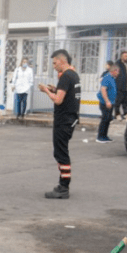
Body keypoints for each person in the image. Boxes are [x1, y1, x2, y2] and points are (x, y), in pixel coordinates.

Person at [39, 49, 80, 199]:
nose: (54, 66)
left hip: (64, 120)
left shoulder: (66, 76)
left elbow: (58, 100)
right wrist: (55, 89)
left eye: (55, 63)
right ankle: (63, 184)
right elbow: (66, 94)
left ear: (62, 61)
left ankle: (64, 187)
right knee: (61, 152)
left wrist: (46, 90)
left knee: (61, 153)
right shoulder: (73, 75)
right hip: (70, 119)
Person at [96, 64, 118, 143]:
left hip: (111, 102)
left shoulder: (112, 78)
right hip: (105, 103)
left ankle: (105, 136)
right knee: (104, 119)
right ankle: (100, 137)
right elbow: (103, 90)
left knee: (108, 119)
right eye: (117, 71)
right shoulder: (107, 77)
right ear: (113, 71)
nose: (118, 73)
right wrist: (107, 101)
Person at [114, 50, 127, 120]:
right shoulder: (117, 64)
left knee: (125, 102)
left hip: (126, 86)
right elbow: (113, 74)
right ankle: (117, 114)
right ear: (121, 57)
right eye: (125, 56)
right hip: (119, 86)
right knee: (118, 101)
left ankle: (125, 113)